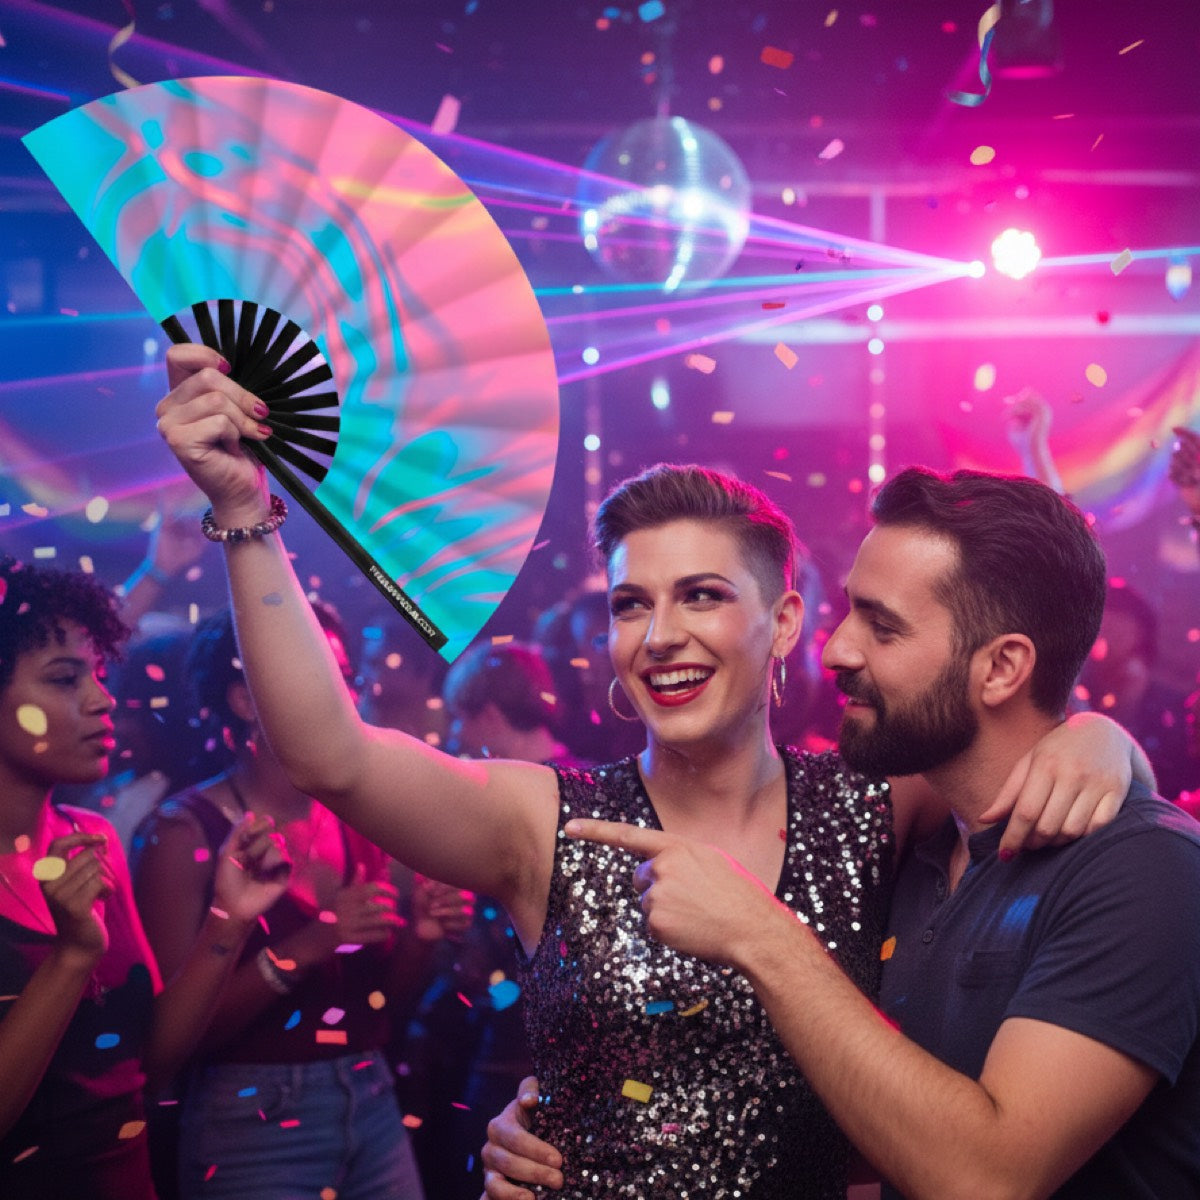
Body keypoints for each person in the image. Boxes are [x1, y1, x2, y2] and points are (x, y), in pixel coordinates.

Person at [154, 344, 1149, 1198]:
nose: (660, 635)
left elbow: (1007, 726)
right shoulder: (544, 821)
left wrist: (1102, 741)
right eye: (632, 604)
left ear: (784, 623)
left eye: (703, 595)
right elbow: (329, 754)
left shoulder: (877, 802)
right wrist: (245, 511)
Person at [487, 467, 1200, 1199]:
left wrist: (762, 935)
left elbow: (985, 1180)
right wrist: (571, 1133)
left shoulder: (1143, 871)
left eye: (881, 627)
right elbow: (881, 1125)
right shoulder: (927, 857)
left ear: (1002, 668)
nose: (835, 652)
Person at [131, 603, 471, 1200]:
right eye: (316, 676)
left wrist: (420, 940)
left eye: (345, 677)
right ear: (244, 700)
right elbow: (165, 1045)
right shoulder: (183, 833)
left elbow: (380, 1012)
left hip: (371, 1094)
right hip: (250, 1116)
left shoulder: (361, 818)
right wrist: (309, 945)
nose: (342, 697)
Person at [0, 554, 289, 1200]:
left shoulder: (91, 837)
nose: (103, 700)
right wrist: (71, 957)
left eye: (99, 675)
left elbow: (146, 1067)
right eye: (65, 678)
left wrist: (228, 921)